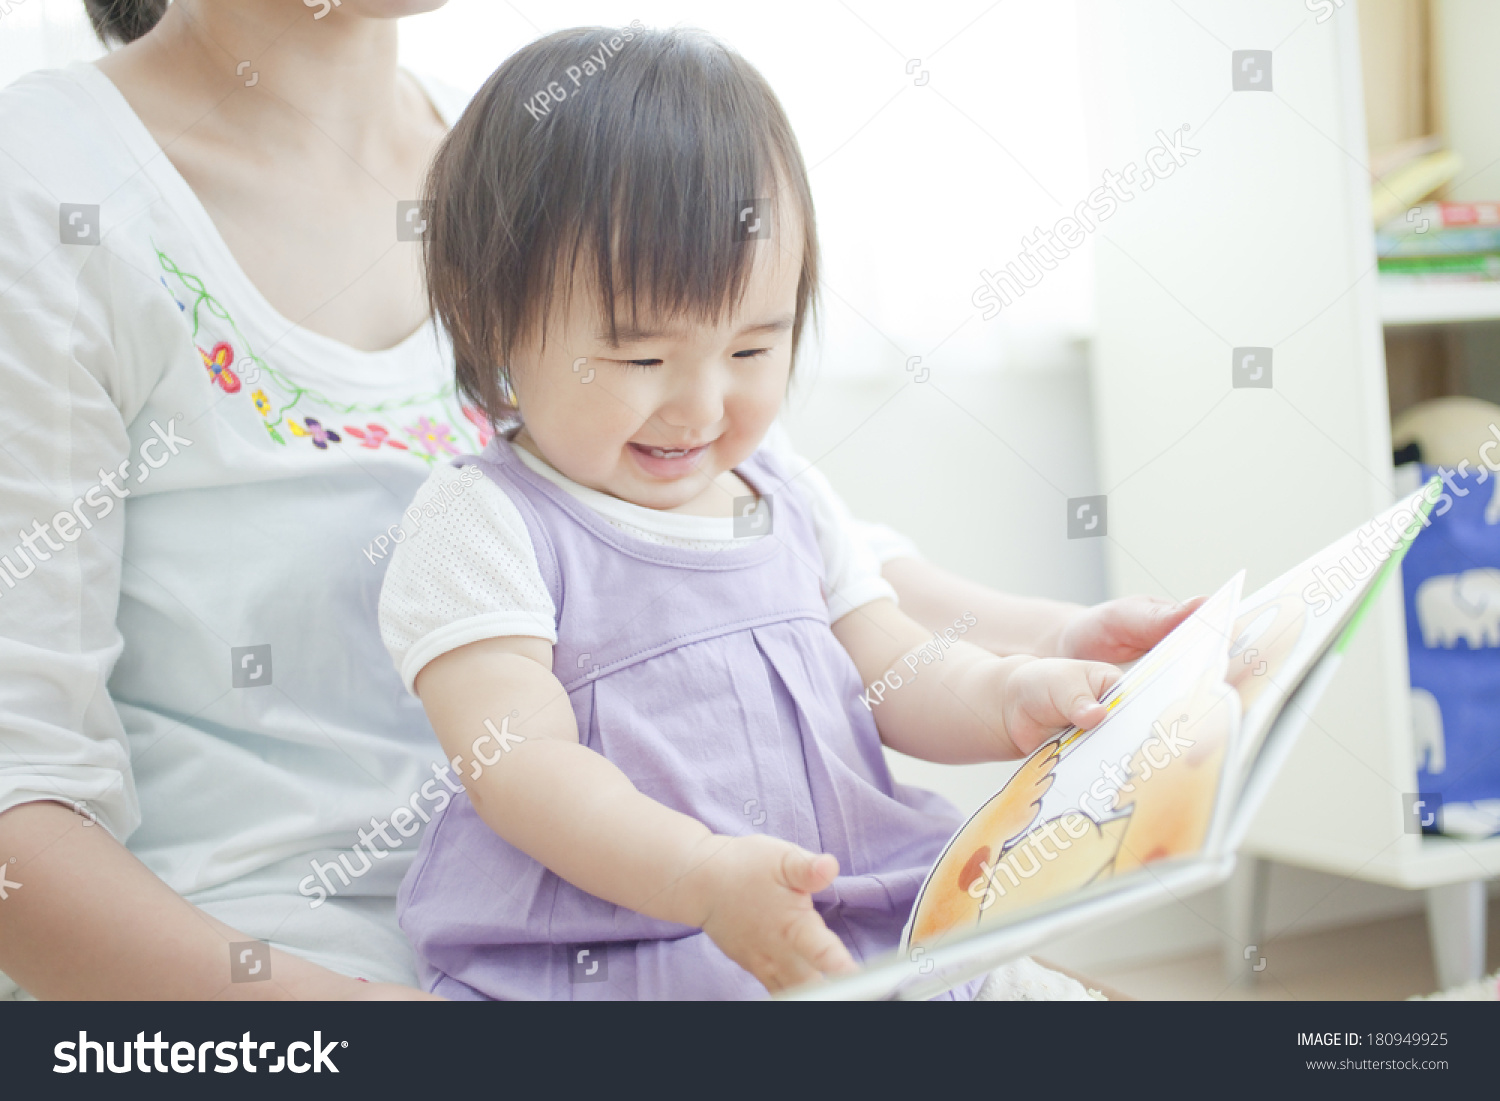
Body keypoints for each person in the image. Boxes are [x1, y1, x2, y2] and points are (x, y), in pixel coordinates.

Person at [0, 0, 1196, 1000]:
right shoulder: (46, 189)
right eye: (636, 359)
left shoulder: (542, 149)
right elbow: (18, 810)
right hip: (351, 968)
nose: (695, 397)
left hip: (743, 913)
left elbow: (786, 565)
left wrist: (1050, 656)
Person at [379, 25, 1129, 1000]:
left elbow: (892, 662)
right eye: (642, 358)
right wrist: (698, 878)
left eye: (750, 351)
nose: (700, 407)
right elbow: (517, 765)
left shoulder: (782, 492)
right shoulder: (486, 525)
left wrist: (1003, 696)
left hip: (847, 907)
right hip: (632, 944)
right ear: (494, 328)